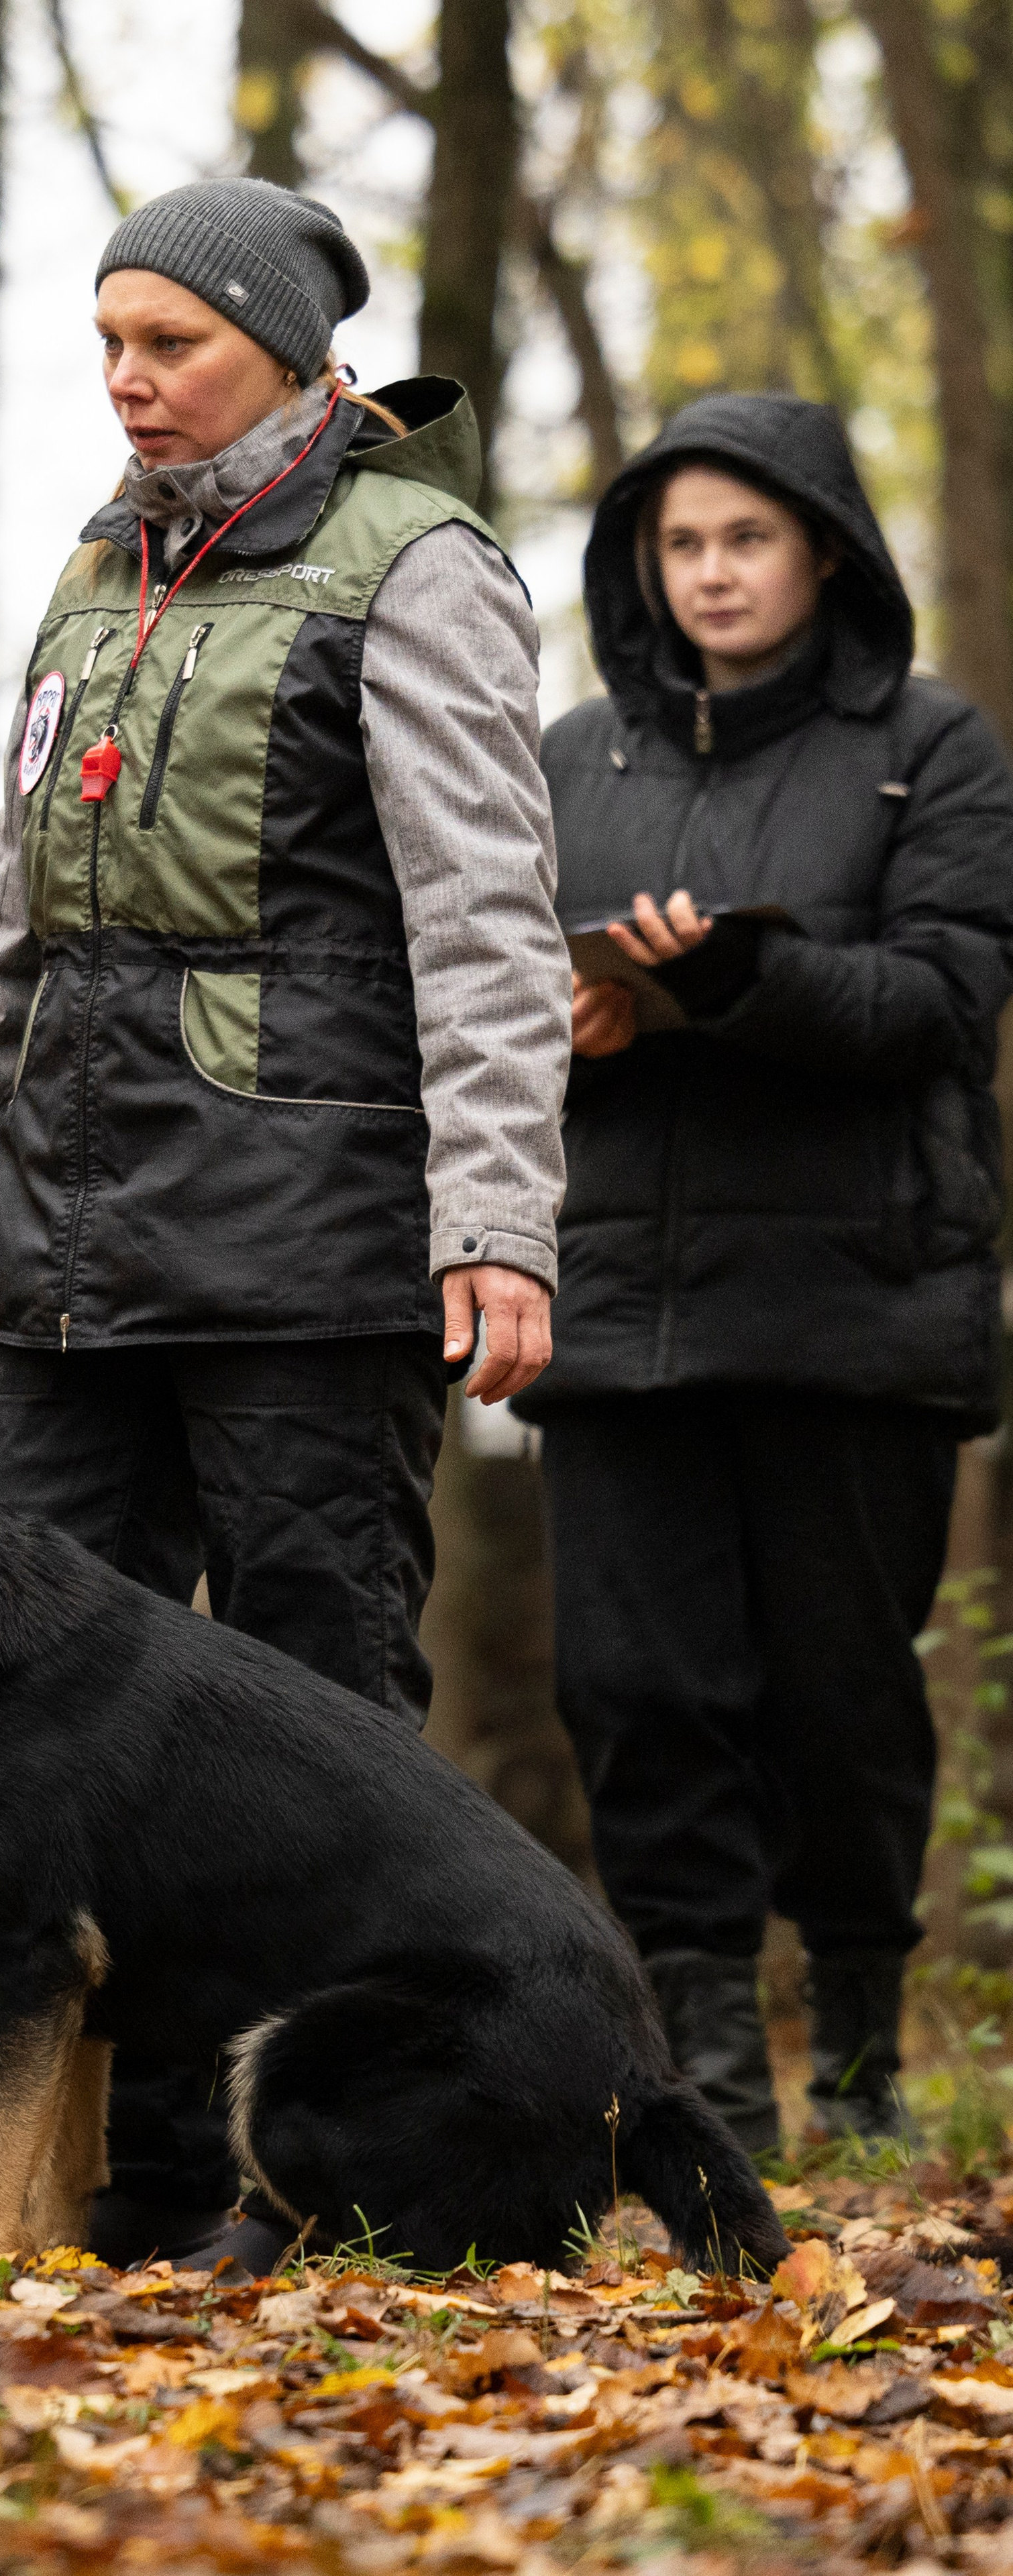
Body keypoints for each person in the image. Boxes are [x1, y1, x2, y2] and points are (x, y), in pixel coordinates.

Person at [0, 177, 572, 2265]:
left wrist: (497, 1221)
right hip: (67, 1260)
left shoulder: (414, 565)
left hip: (311, 1258)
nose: (132, 386)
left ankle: (327, 2179)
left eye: (174, 345)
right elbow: (7, 933)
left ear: (296, 352)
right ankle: (134, 2192)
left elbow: (491, 929)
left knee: (317, 1716)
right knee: (25, 1734)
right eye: (110, 347)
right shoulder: (92, 572)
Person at [521, 392, 1013, 2153]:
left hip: (850, 1308)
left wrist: (731, 984)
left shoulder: (931, 748)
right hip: (616, 1316)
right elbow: (484, 1000)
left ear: (825, 550)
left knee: (840, 1704)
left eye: (748, 538)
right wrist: (575, 1014)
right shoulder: (573, 758)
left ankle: (867, 2062)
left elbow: (948, 1005)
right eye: (682, 543)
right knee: (641, 1697)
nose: (714, 573)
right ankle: (711, 2072)